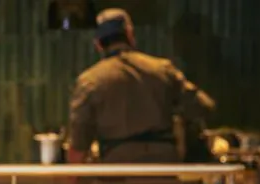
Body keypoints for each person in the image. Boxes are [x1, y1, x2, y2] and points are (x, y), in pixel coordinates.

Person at [68, 9, 215, 164]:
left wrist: (72, 182)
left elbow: (78, 144)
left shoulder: (90, 80)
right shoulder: (163, 69)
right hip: (163, 170)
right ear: (130, 35)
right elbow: (203, 106)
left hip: (116, 173)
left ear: (98, 44)